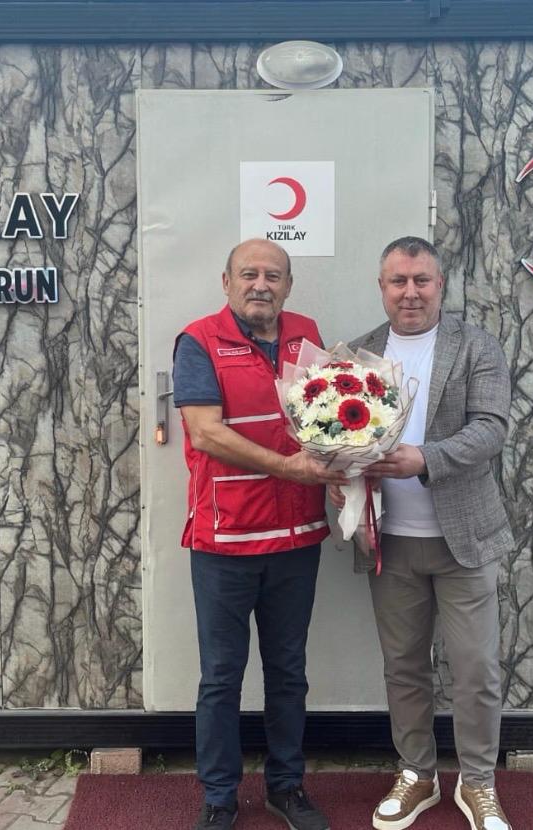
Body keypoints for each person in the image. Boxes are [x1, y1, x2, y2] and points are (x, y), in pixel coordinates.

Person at [332, 236, 515, 830]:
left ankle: (479, 782)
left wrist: (424, 458)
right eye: (398, 281)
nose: (410, 292)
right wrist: (340, 478)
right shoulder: (357, 353)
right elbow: (336, 434)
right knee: (404, 667)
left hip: (464, 541)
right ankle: (418, 774)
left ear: (440, 284)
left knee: (475, 669)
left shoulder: (476, 345)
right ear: (381, 287)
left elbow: (491, 428)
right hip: (389, 540)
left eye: (421, 281)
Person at [174, 238, 346, 830]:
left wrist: (345, 471)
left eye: (273, 275)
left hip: (297, 537)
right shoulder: (198, 341)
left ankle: (286, 786)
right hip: (226, 540)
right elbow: (205, 433)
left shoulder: (307, 335)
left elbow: (330, 417)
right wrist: (291, 469)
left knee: (289, 673)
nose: (260, 285)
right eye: (248, 274)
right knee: (221, 678)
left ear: (288, 286)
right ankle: (219, 795)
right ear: (226, 282)